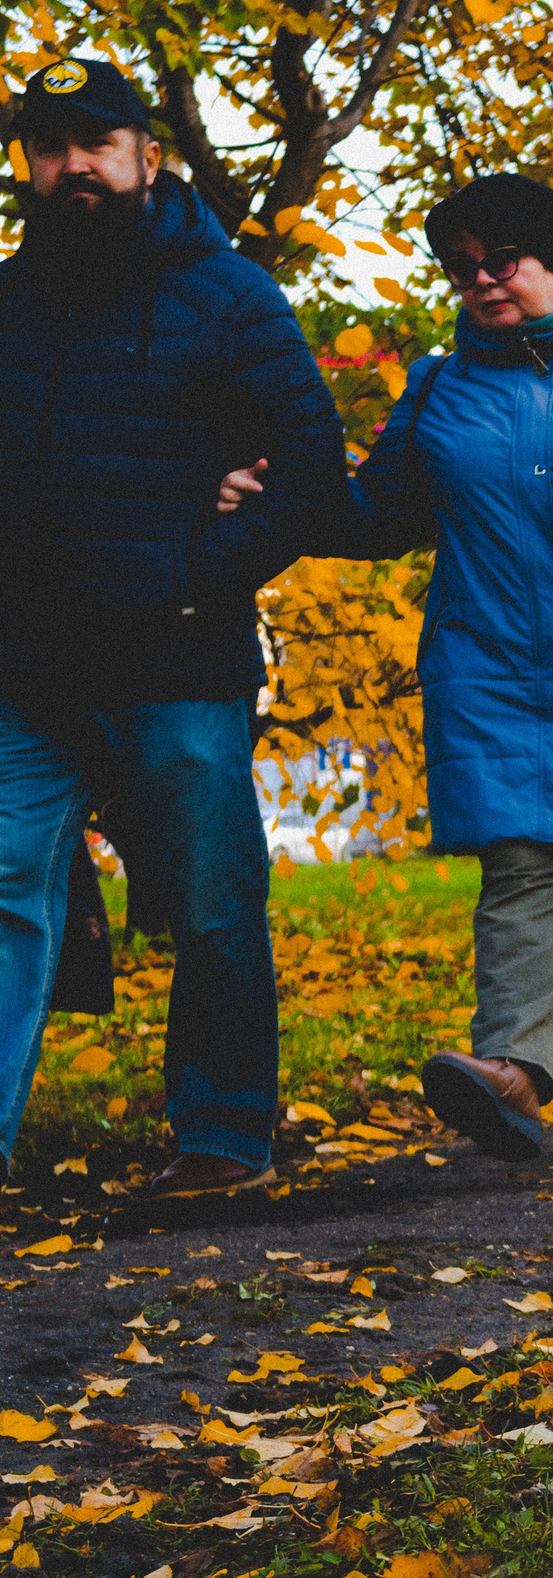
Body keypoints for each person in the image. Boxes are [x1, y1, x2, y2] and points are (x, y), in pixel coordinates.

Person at [220, 174, 553, 1166]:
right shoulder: (438, 386)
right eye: (460, 267)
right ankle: (511, 1072)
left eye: (500, 260)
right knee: (522, 864)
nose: (480, 282)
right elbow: (376, 515)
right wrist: (273, 486)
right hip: (499, 670)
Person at [0, 57, 347, 1193]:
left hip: (178, 651)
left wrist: (197, 567)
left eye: (97, 142)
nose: (73, 167)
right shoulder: (8, 302)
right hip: (27, 663)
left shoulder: (230, 294)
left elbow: (307, 475)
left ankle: (223, 1135)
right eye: (50, 147)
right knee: (4, 885)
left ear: (148, 154)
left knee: (207, 900)